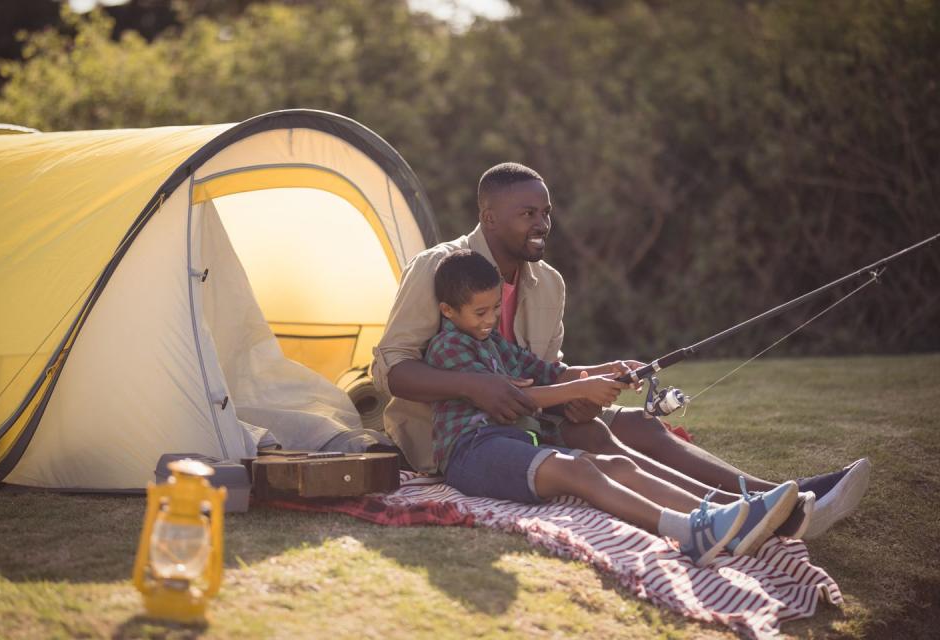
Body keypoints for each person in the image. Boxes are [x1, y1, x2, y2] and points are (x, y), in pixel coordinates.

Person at [371, 162, 870, 539]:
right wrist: (474, 386)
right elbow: (389, 369)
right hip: (455, 437)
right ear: (490, 217)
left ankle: (772, 498)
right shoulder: (440, 267)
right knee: (597, 437)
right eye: (528, 214)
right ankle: (749, 511)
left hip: (531, 420)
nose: (542, 223)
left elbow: (547, 370)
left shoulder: (549, 284)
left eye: (546, 212)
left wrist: (598, 375)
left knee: (636, 424)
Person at [424, 249, 801, 565]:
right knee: (579, 471)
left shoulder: (492, 342)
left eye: (494, 309)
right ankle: (687, 533)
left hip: (513, 440)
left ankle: (720, 517)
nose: (491, 320)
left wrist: (609, 370)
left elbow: (545, 373)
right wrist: (584, 388)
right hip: (472, 452)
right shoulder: (449, 347)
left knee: (614, 464)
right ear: (448, 310)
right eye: (480, 313)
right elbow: (519, 398)